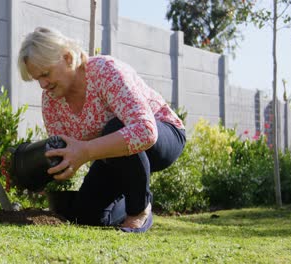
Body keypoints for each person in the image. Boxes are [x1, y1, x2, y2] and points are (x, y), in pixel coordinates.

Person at [17, 27, 186, 232]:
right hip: (111, 155)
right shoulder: (51, 100)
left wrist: (86, 151)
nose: (43, 84)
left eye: (46, 74)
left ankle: (139, 209)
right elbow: (64, 151)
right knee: (87, 215)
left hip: (163, 136)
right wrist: (34, 174)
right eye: (37, 79)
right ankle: (130, 196)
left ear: (68, 58)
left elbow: (145, 131)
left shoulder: (105, 71)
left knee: (116, 126)